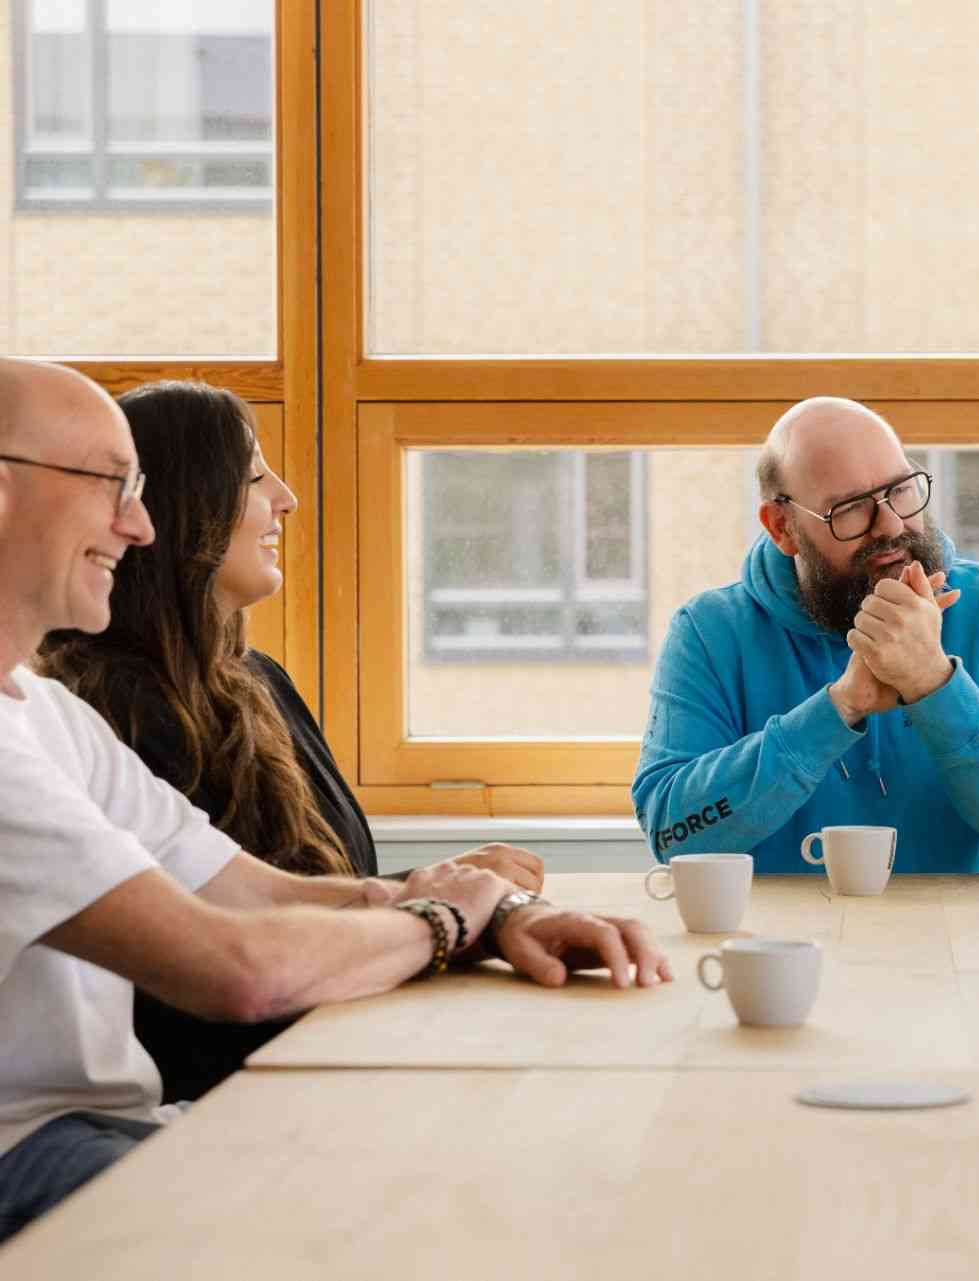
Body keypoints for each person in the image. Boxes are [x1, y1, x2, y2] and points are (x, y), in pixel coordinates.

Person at [0, 359, 672, 1244]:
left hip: (103, 1125)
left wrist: (489, 911)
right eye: (115, 485)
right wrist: (440, 919)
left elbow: (248, 888)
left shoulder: (44, 711)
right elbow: (236, 966)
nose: (139, 522)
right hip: (28, 1158)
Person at [36, 380, 540, 1103]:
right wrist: (446, 913)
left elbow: (282, 893)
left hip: (330, 1039)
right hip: (253, 1083)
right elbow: (226, 963)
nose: (286, 497)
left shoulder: (258, 684)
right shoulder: (110, 717)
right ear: (182, 512)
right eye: (250, 477)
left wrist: (476, 900)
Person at [631, 396, 979, 874]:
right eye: (850, 509)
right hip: (777, 943)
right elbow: (672, 834)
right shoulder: (709, 633)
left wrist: (935, 686)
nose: (890, 525)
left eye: (901, 491)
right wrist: (838, 709)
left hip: (966, 943)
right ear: (781, 527)